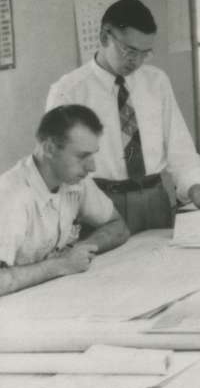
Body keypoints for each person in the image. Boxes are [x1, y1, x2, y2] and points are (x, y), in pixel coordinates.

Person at [46, 0, 200, 235]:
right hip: (101, 207)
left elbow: (179, 146)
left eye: (145, 53)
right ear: (104, 38)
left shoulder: (156, 81)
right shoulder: (68, 91)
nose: (137, 61)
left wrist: (196, 191)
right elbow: (62, 166)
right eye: (129, 51)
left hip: (155, 199)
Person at [0, 105, 130, 297]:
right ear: (50, 148)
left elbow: (119, 226)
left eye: (93, 155)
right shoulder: (11, 195)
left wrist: (83, 248)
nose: (92, 167)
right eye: (82, 156)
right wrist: (62, 264)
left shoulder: (74, 179)